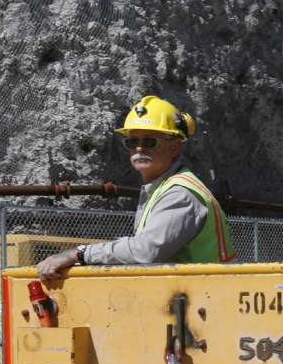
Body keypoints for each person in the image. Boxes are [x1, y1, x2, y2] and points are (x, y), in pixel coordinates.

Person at [36, 95, 236, 281]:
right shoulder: (163, 188)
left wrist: (79, 254)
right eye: (132, 142)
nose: (139, 148)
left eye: (150, 141)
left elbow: (145, 251)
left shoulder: (179, 194)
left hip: (207, 299)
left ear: (175, 147)